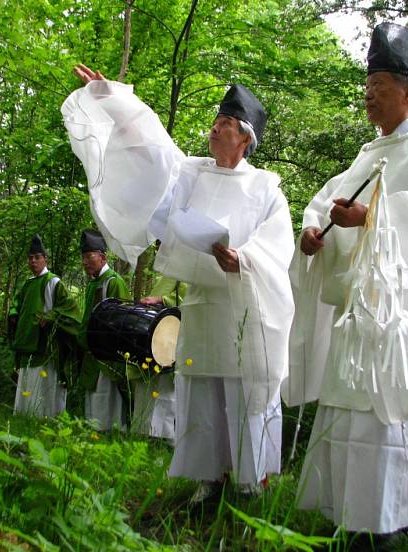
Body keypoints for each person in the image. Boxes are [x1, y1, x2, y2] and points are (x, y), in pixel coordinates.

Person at [62, 67, 295, 499]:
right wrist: (112, 99)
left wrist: (242, 260)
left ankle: (249, 484)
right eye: (216, 121)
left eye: (225, 124)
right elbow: (152, 155)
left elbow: (279, 246)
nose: (214, 129)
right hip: (202, 307)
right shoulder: (193, 174)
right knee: (202, 389)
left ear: (246, 139)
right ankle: (209, 479)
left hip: (244, 307)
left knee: (242, 393)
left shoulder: (266, 189)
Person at [287, 22, 408, 536]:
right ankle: (343, 514)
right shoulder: (369, 153)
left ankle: (385, 522)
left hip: (396, 322)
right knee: (347, 411)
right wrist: (312, 233)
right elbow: (324, 203)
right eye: (367, 87)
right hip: (354, 313)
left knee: (384, 417)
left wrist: (368, 218)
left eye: (379, 87)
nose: (368, 96)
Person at [10, 234, 80, 417]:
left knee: (44, 378)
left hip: (45, 343)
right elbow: (17, 303)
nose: (33, 261)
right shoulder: (27, 284)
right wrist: (13, 313)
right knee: (27, 377)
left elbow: (69, 307)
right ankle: (25, 414)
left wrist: (50, 316)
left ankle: (46, 415)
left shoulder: (53, 282)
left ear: (45, 259)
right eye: (30, 258)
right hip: (27, 340)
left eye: (37, 258)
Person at [76, 228, 132, 428]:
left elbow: (122, 320)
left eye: (89, 257)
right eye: (83, 257)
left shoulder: (113, 282)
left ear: (102, 257)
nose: (84, 262)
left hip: (107, 354)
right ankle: (94, 429)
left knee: (107, 393)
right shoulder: (94, 283)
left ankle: (111, 430)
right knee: (94, 392)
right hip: (92, 351)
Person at [133, 275, 187, 441]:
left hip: (172, 338)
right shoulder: (167, 274)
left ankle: (164, 437)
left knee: (165, 391)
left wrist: (162, 299)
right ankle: (144, 433)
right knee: (147, 388)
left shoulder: (186, 268)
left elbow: (188, 297)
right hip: (155, 337)